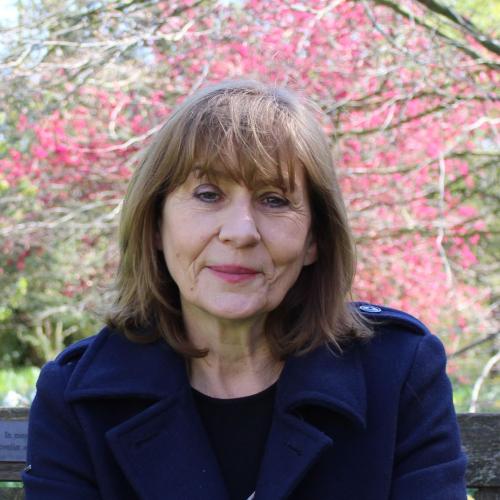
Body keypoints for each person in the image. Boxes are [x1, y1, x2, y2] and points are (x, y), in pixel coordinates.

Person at [23, 80, 467, 500]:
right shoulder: (78, 399)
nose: (241, 232)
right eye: (208, 194)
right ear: (156, 224)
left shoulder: (399, 373)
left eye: (274, 199)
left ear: (315, 239)